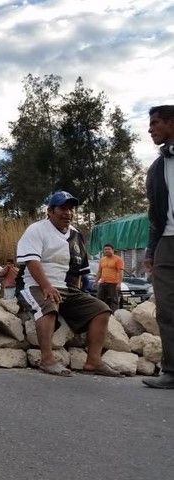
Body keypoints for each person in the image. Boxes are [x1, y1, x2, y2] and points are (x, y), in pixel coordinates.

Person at [16, 191, 121, 377]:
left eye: (71, 209)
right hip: (34, 284)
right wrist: (47, 286)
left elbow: (79, 271)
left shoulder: (76, 234)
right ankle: (47, 360)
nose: (68, 213)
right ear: (50, 211)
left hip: (66, 287)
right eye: (62, 208)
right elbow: (32, 262)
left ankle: (93, 362)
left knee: (101, 309)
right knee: (48, 307)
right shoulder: (36, 229)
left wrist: (79, 298)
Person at [142, 104, 174, 389]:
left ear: (171, 123)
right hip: (166, 243)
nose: (150, 129)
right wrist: (151, 251)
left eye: (155, 123)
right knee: (166, 308)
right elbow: (155, 215)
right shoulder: (157, 168)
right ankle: (171, 371)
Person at [96, 244, 124, 312]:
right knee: (99, 300)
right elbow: (99, 271)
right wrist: (96, 281)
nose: (107, 251)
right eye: (105, 249)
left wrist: (119, 283)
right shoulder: (102, 260)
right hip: (103, 283)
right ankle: (100, 314)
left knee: (114, 301)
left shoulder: (118, 259)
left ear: (113, 250)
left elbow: (121, 272)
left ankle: (114, 315)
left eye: (109, 249)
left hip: (113, 283)